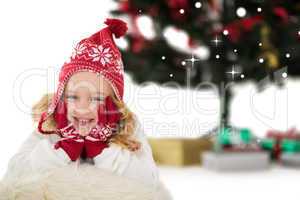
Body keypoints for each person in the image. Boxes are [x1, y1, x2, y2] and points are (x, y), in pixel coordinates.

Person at [2, 18, 159, 188]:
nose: (82, 108)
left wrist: (101, 149)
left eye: (97, 98)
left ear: (114, 104)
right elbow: (15, 173)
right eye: (73, 97)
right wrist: (64, 148)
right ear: (60, 99)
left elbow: (149, 181)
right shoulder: (51, 124)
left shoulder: (127, 127)